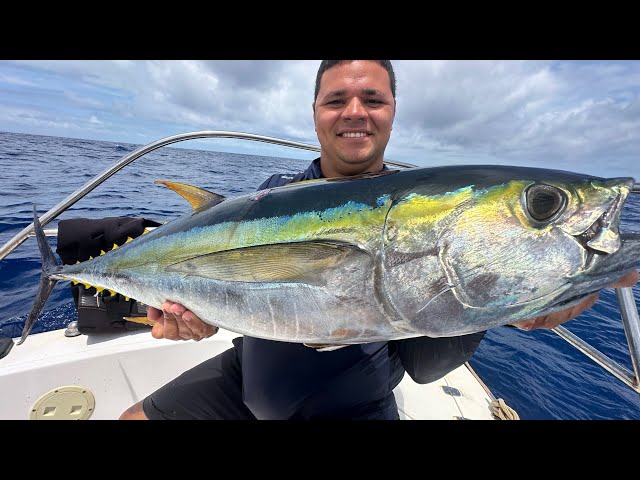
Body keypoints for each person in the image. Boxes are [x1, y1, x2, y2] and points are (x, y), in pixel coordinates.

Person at [119, 60, 640, 420]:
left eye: (373, 98)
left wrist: (506, 306)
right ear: (316, 111)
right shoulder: (271, 196)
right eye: (336, 99)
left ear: (392, 111)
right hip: (245, 375)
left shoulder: (419, 207)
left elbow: (427, 363)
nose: (354, 112)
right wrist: (191, 320)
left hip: (352, 405)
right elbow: (233, 296)